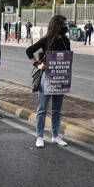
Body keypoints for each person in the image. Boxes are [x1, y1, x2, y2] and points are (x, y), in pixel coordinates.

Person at [26, 15, 70, 148]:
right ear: (57, 26)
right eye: (64, 25)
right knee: (42, 108)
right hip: (47, 76)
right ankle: (39, 136)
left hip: (61, 76)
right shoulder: (46, 40)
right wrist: (38, 64)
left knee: (57, 109)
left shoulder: (65, 40)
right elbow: (29, 51)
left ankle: (55, 136)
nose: (65, 27)